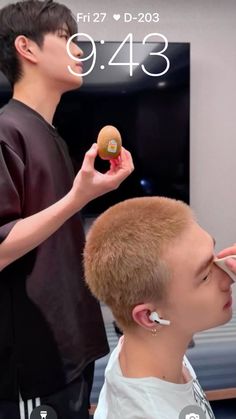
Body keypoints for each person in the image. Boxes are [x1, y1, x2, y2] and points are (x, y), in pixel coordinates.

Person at [0, 1, 134, 418]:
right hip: (34, 363)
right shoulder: (6, 130)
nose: (79, 50)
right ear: (27, 47)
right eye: (66, 38)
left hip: (72, 348)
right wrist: (78, 198)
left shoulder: (50, 135)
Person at [83, 196, 234, 419]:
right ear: (150, 317)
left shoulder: (144, 348)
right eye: (205, 276)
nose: (228, 278)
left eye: (214, 257)